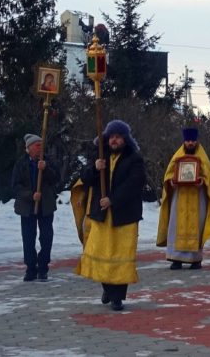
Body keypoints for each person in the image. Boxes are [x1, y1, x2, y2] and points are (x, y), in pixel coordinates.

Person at [75, 120, 146, 311]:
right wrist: (94, 168)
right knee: (100, 253)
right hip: (101, 215)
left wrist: (112, 200)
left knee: (120, 256)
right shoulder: (100, 155)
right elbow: (85, 178)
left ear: (125, 139)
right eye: (111, 137)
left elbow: (135, 183)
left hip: (124, 216)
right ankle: (107, 287)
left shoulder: (134, 158)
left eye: (118, 137)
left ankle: (117, 297)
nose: (114, 140)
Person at [157, 128, 210, 270]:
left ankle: (195, 259)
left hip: (198, 198)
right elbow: (168, 175)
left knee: (197, 227)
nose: (190, 143)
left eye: (193, 141)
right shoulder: (177, 157)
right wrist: (172, 181)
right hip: (179, 197)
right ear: (184, 141)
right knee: (176, 226)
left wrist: (202, 181)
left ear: (197, 141)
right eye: (188, 141)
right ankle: (176, 259)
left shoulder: (203, 158)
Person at [11, 134, 58, 282]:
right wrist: (30, 195)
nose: (40, 148)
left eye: (41, 145)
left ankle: (43, 268)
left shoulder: (48, 161)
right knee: (28, 239)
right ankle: (31, 268)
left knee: (46, 237)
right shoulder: (21, 163)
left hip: (46, 206)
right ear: (29, 148)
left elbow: (56, 179)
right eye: (37, 145)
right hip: (27, 207)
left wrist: (46, 169)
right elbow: (15, 186)